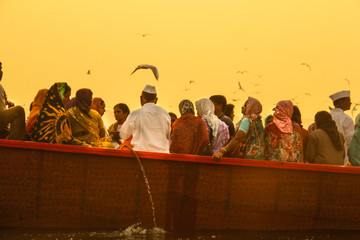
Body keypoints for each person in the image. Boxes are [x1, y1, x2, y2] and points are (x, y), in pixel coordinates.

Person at [120, 85, 171, 153]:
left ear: (141, 98)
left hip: (140, 156)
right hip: (162, 155)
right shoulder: (164, 114)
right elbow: (168, 135)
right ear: (156, 100)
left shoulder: (135, 114)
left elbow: (123, 135)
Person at [213, 97, 265, 161]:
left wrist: (222, 151)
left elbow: (237, 139)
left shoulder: (247, 120)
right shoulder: (259, 122)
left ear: (251, 107)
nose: (242, 107)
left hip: (245, 159)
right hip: (259, 159)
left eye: (245, 105)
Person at [0, 61, 27, 140]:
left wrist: (8, 108)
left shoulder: (1, 87)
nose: (2, 72)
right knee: (18, 111)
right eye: (0, 69)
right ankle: (13, 146)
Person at [329, 90, 354, 165]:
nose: (350, 103)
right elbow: (350, 140)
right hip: (342, 156)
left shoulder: (328, 116)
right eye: (348, 100)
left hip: (328, 156)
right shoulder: (347, 119)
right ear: (341, 102)